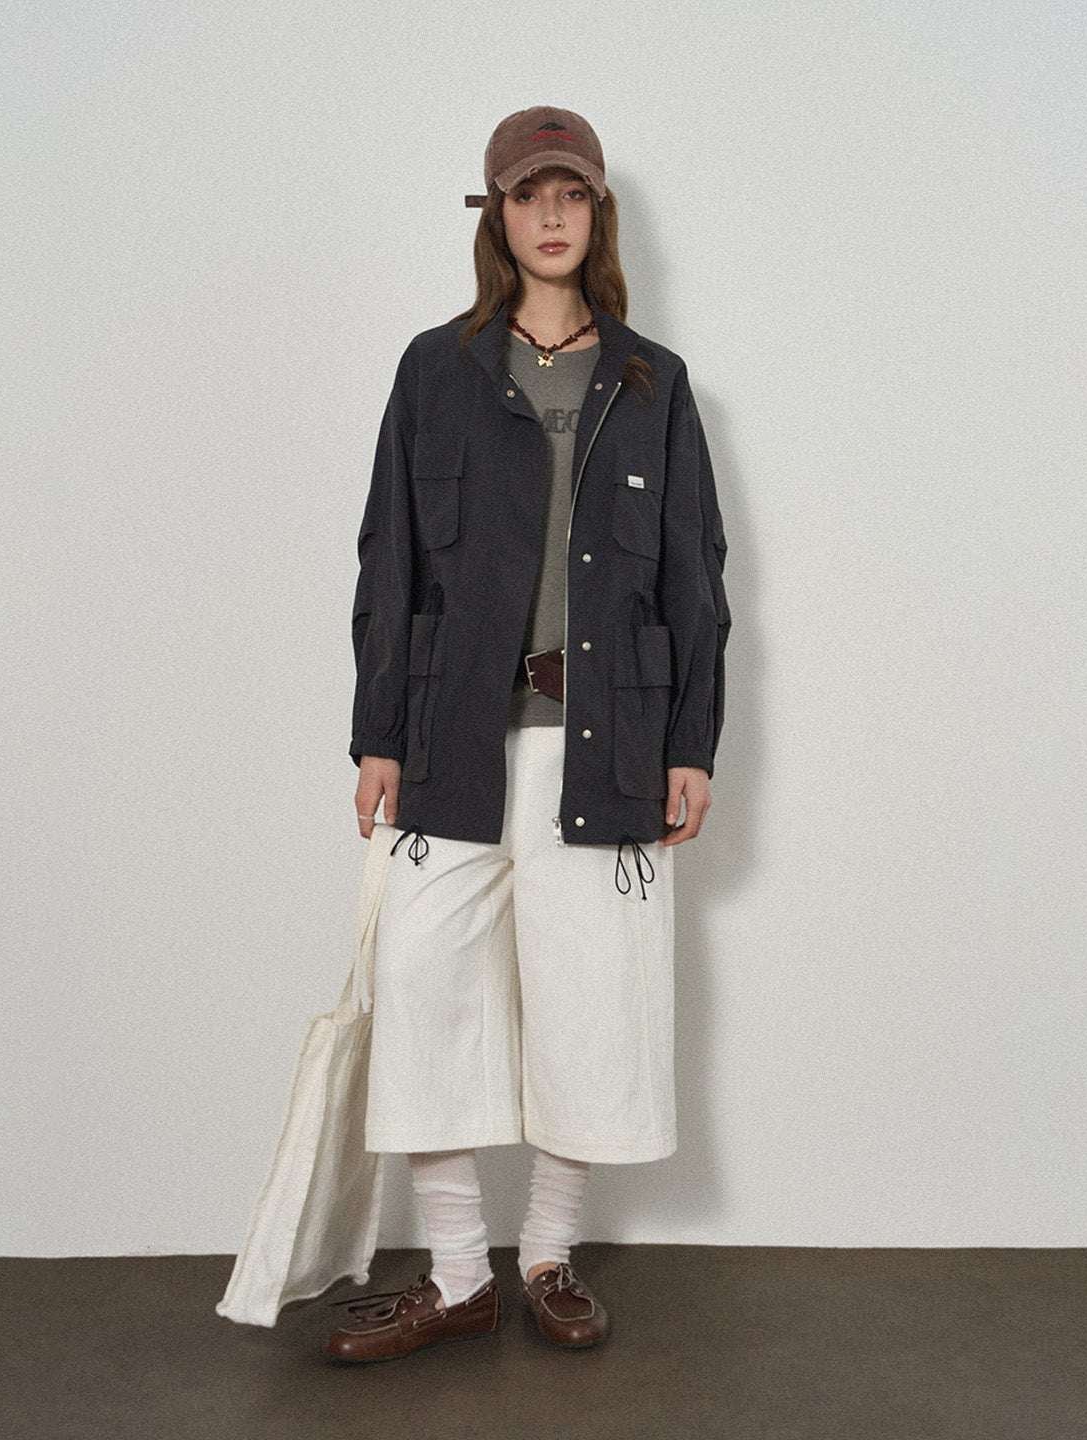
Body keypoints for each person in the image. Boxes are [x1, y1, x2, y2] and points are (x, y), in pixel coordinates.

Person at [324, 105, 732, 1363]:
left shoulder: (655, 382)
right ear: (494, 217)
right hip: (452, 738)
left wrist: (692, 744)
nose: (550, 216)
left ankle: (547, 1254)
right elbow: (389, 555)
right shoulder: (434, 370)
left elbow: (696, 578)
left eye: (572, 195)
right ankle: (458, 1274)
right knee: (423, 995)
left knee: (590, 1011)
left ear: (597, 214)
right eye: (526, 195)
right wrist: (378, 732)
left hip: (605, 747)